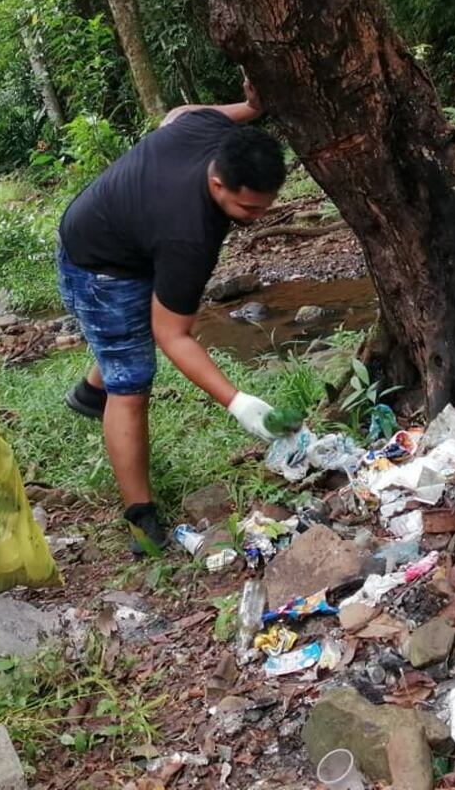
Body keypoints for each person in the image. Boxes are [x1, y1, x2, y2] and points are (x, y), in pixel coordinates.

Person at [56, 80, 286, 551]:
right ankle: (140, 518)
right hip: (99, 266)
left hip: (118, 231)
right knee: (133, 380)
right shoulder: (190, 235)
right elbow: (172, 334)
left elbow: (176, 115)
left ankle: (87, 392)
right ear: (218, 183)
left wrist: (249, 105)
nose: (257, 216)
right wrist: (238, 403)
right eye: (247, 208)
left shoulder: (209, 129)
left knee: (129, 341)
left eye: (266, 206)